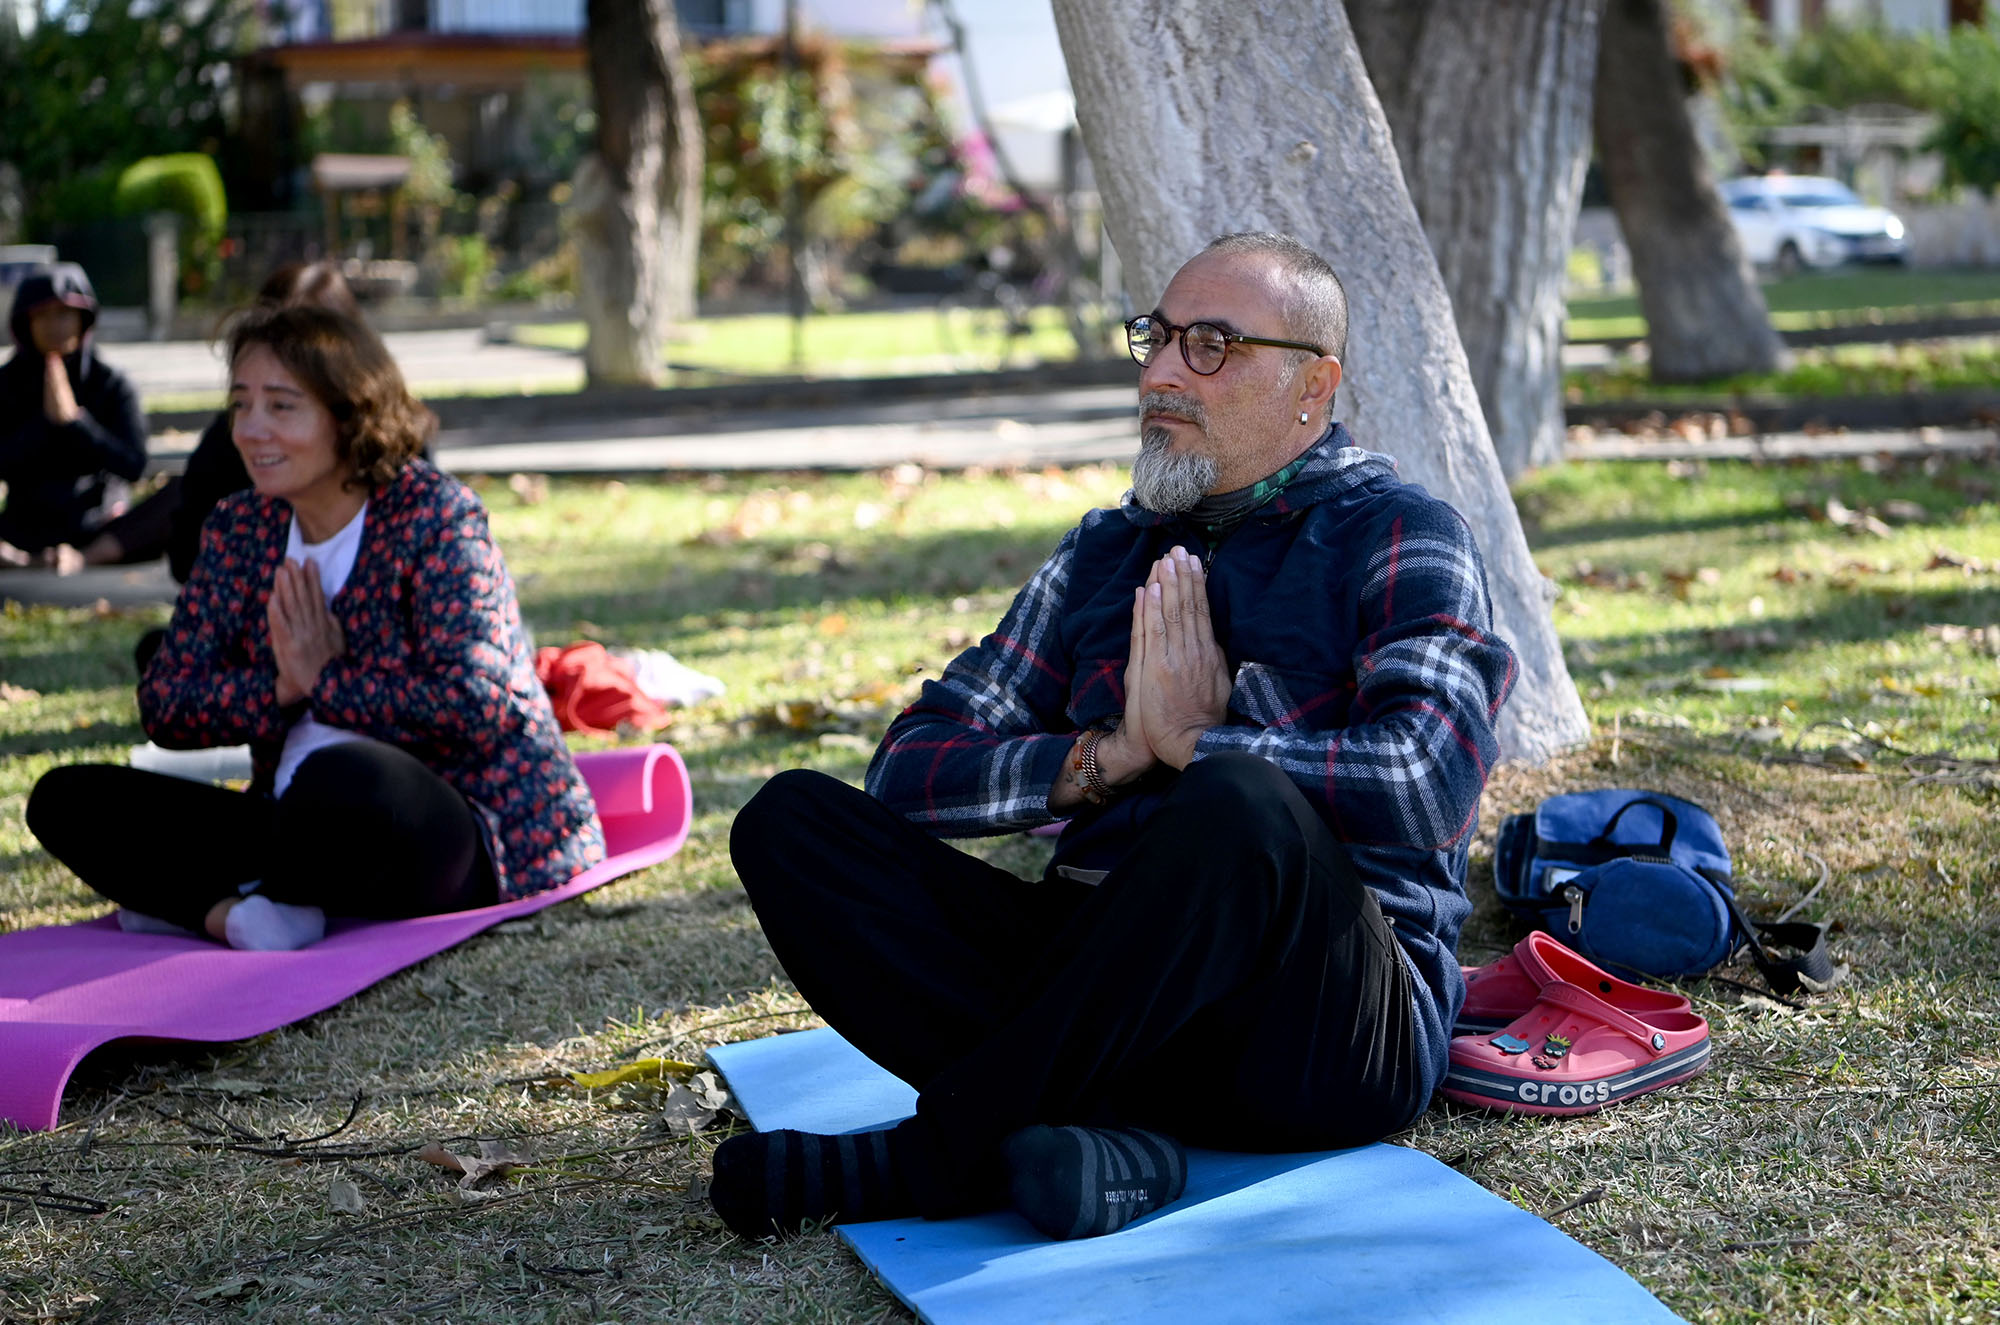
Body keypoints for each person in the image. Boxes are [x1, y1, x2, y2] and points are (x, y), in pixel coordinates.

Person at [714, 232, 1518, 1242]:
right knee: (791, 821)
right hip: (1096, 996)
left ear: (1313, 384)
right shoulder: (1103, 551)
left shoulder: (1400, 532)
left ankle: (931, 1154)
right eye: (1156, 338)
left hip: (1315, 1030)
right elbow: (909, 768)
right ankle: (1092, 1138)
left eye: (1210, 345)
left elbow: (1424, 781)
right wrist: (1109, 757)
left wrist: (1201, 742)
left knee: (1236, 802)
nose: (1158, 373)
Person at [24, 303, 603, 951]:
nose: (250, 429)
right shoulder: (241, 527)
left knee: (348, 777)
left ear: (348, 413)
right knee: (66, 797)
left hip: (454, 821)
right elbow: (165, 702)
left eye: (281, 406)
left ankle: (211, 894)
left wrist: (328, 680)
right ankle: (237, 911)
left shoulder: (436, 517)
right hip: (288, 820)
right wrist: (282, 689)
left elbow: (479, 704)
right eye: (241, 405)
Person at [0, 263, 147, 568]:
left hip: (98, 526)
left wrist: (76, 422)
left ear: (83, 320)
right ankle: (24, 559)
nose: (55, 326)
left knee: (176, 497)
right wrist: (44, 424)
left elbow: (134, 465)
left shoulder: (110, 383)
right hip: (22, 527)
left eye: (64, 314)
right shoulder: (7, 383)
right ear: (26, 322)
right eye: (43, 315)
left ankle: (83, 558)